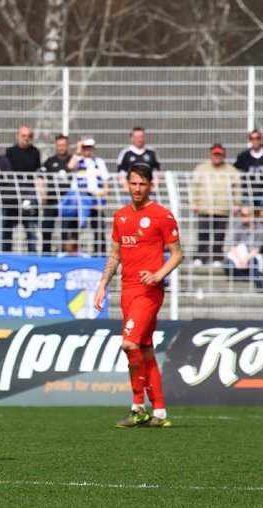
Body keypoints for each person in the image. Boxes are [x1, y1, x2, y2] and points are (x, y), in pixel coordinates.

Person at [94, 163, 183, 428]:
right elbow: (115, 255)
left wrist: (158, 274)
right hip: (127, 290)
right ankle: (160, 412)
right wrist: (102, 285)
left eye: (142, 184)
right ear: (126, 183)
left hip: (149, 291)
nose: (137, 189)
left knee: (129, 344)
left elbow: (177, 254)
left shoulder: (162, 216)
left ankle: (137, 407)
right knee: (144, 349)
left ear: (150, 186)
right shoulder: (120, 216)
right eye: (133, 183)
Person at [190, 143, 241, 267]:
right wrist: (194, 202)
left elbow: (237, 188)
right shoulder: (202, 168)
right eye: (215, 154)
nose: (217, 157)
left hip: (222, 208)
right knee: (203, 233)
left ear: (223, 155)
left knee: (219, 234)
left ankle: (216, 257)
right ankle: (201, 257)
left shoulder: (231, 170)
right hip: (205, 206)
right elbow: (194, 186)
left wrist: (236, 204)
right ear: (211, 154)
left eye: (219, 154)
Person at [64, 136, 110, 254]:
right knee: (75, 228)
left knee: (98, 227)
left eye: (89, 148)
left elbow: (105, 180)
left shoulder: (99, 162)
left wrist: (104, 194)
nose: (87, 150)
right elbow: (69, 166)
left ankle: (99, 254)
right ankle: (72, 254)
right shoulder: (77, 160)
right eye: (85, 148)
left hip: (94, 199)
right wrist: (78, 150)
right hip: (79, 199)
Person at [4, 125, 41, 252]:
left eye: (29, 136)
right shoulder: (10, 152)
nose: (26, 139)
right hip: (14, 192)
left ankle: (32, 255)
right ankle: (6, 254)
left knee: (31, 226)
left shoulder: (35, 152)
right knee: (8, 226)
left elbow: (37, 172)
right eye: (23, 136)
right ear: (17, 136)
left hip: (29, 192)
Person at [37, 134, 71, 254]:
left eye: (63, 145)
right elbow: (40, 177)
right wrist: (43, 195)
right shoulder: (50, 162)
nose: (61, 148)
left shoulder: (72, 161)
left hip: (68, 201)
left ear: (67, 146)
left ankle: (64, 253)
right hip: (52, 200)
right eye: (59, 145)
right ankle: (46, 253)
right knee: (47, 227)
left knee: (66, 229)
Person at [224, 207, 263, 290]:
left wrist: (246, 259)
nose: (243, 217)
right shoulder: (238, 226)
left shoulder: (259, 228)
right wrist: (240, 259)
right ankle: (249, 277)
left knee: (254, 261)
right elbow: (233, 246)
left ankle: (260, 288)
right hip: (239, 255)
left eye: (245, 215)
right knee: (227, 263)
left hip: (251, 255)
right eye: (242, 215)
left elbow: (257, 248)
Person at [234, 129, 263, 208]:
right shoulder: (244, 156)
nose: (255, 141)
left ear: (261, 139)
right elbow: (234, 168)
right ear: (250, 140)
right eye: (252, 138)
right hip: (248, 190)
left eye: (257, 138)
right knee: (246, 213)